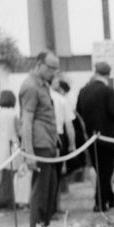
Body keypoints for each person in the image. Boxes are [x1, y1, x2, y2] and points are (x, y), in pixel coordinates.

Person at [19, 51, 61, 227]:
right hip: (39, 145)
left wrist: (56, 141)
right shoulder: (30, 86)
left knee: (49, 191)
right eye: (50, 67)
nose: (53, 72)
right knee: (41, 192)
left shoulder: (43, 85)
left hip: (48, 144)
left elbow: (47, 116)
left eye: (55, 69)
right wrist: (29, 153)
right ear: (39, 64)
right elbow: (26, 121)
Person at [76, 61, 114, 212]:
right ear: (108, 74)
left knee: (99, 169)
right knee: (106, 171)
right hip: (107, 137)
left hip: (90, 137)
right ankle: (101, 202)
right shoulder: (109, 92)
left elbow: (78, 112)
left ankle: (109, 197)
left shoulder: (83, 91)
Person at [51, 78, 77, 211]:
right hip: (58, 137)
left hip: (46, 137)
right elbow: (69, 124)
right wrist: (72, 144)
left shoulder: (47, 97)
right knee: (56, 174)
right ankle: (55, 206)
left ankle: (51, 207)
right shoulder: (61, 100)